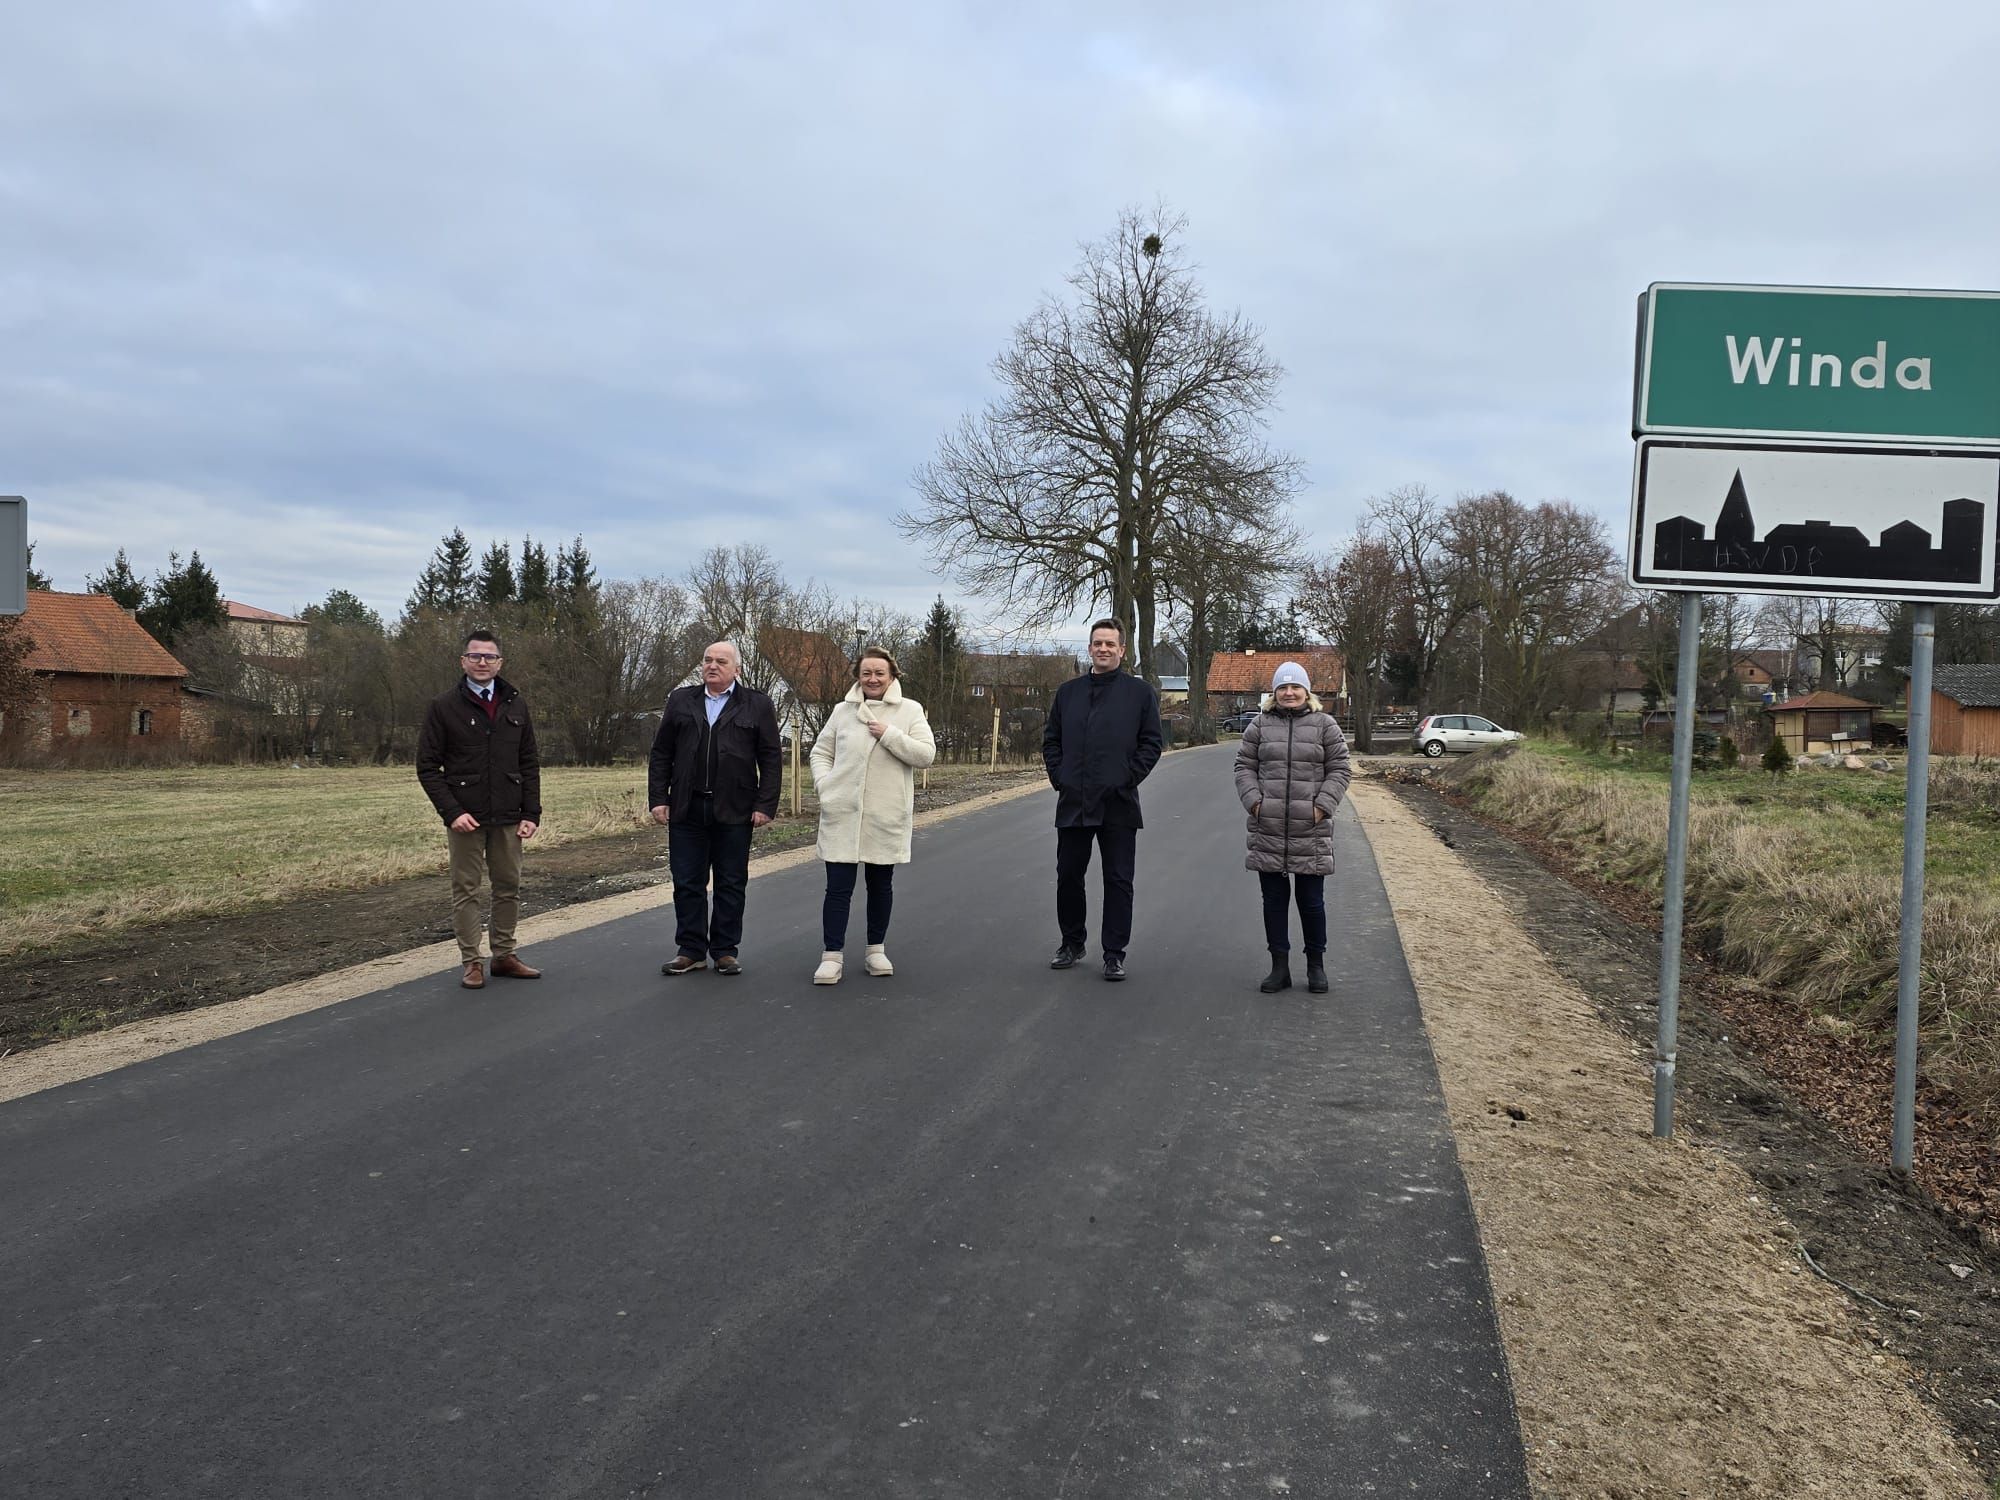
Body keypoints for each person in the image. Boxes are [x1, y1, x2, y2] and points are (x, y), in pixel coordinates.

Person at [416, 629, 543, 990]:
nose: (482, 662)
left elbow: (528, 762)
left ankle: (504, 955)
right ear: (463, 661)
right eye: (475, 656)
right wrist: (452, 812)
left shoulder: (515, 704)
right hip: (466, 819)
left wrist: (530, 813)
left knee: (508, 887)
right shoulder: (443, 706)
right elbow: (428, 767)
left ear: (500, 662)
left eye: (489, 656)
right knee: (467, 890)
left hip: (508, 816)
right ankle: (472, 961)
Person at [648, 640, 783, 977]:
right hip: (687, 807)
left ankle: (724, 951)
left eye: (721, 661)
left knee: (731, 882)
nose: (712, 666)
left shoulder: (756, 705)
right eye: (707, 660)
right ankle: (691, 950)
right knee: (687, 882)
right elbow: (662, 752)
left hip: (735, 808)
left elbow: (770, 758)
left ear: (736, 669)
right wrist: (658, 798)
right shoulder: (681, 700)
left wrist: (765, 804)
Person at [1042, 617, 1164, 981]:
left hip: (1118, 803)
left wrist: (1126, 779)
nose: (1103, 649)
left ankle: (1114, 953)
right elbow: (1051, 740)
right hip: (1074, 802)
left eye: (1110, 644)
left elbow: (1152, 744)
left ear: (1122, 650)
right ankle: (1071, 943)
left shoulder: (1140, 694)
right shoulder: (1068, 693)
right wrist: (1060, 777)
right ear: (1089, 648)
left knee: (1118, 881)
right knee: (1068, 877)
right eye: (1098, 643)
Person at [808, 647, 937, 985]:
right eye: (866, 673)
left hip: (885, 813)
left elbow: (926, 755)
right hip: (842, 812)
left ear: (892, 675)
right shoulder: (842, 711)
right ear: (858, 677)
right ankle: (831, 956)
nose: (873, 679)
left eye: (880, 673)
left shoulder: (909, 710)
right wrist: (825, 786)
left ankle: (875, 950)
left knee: (880, 885)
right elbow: (820, 752)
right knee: (838, 888)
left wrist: (890, 735)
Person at [1233, 660, 1352, 995]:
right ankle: (1279, 967)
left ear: (1306, 691)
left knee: (1311, 902)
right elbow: (1244, 766)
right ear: (1274, 693)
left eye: (1295, 687)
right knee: (1273, 901)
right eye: (1282, 687)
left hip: (1310, 829)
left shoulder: (1325, 725)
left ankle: (1316, 966)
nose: (1289, 693)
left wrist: (1322, 806)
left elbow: (1340, 768)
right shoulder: (1259, 725)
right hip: (1268, 828)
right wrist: (1255, 802)